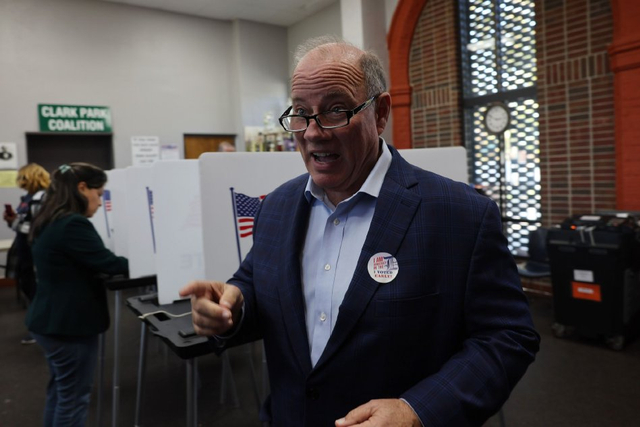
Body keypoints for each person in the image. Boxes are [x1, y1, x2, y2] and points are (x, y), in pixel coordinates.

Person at [180, 37, 540, 427]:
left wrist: (417, 411)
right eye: (300, 112)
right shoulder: (277, 207)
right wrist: (231, 308)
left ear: (380, 113)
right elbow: (255, 282)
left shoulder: (460, 214)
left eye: (336, 110)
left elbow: (507, 336)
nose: (313, 132)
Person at [26, 162, 128, 427]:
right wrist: (151, 263)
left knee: (61, 393)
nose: (100, 201)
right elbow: (109, 263)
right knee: (73, 400)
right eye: (99, 193)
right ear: (82, 188)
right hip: (68, 326)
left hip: (51, 321)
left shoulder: (50, 218)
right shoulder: (73, 224)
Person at [3, 163, 50, 344]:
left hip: (34, 251)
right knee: (28, 287)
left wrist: (14, 222)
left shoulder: (42, 198)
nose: (19, 181)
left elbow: (37, 229)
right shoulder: (27, 198)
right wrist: (13, 220)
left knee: (36, 290)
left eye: (22, 177)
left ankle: (41, 329)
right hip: (24, 250)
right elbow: (25, 223)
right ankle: (38, 327)